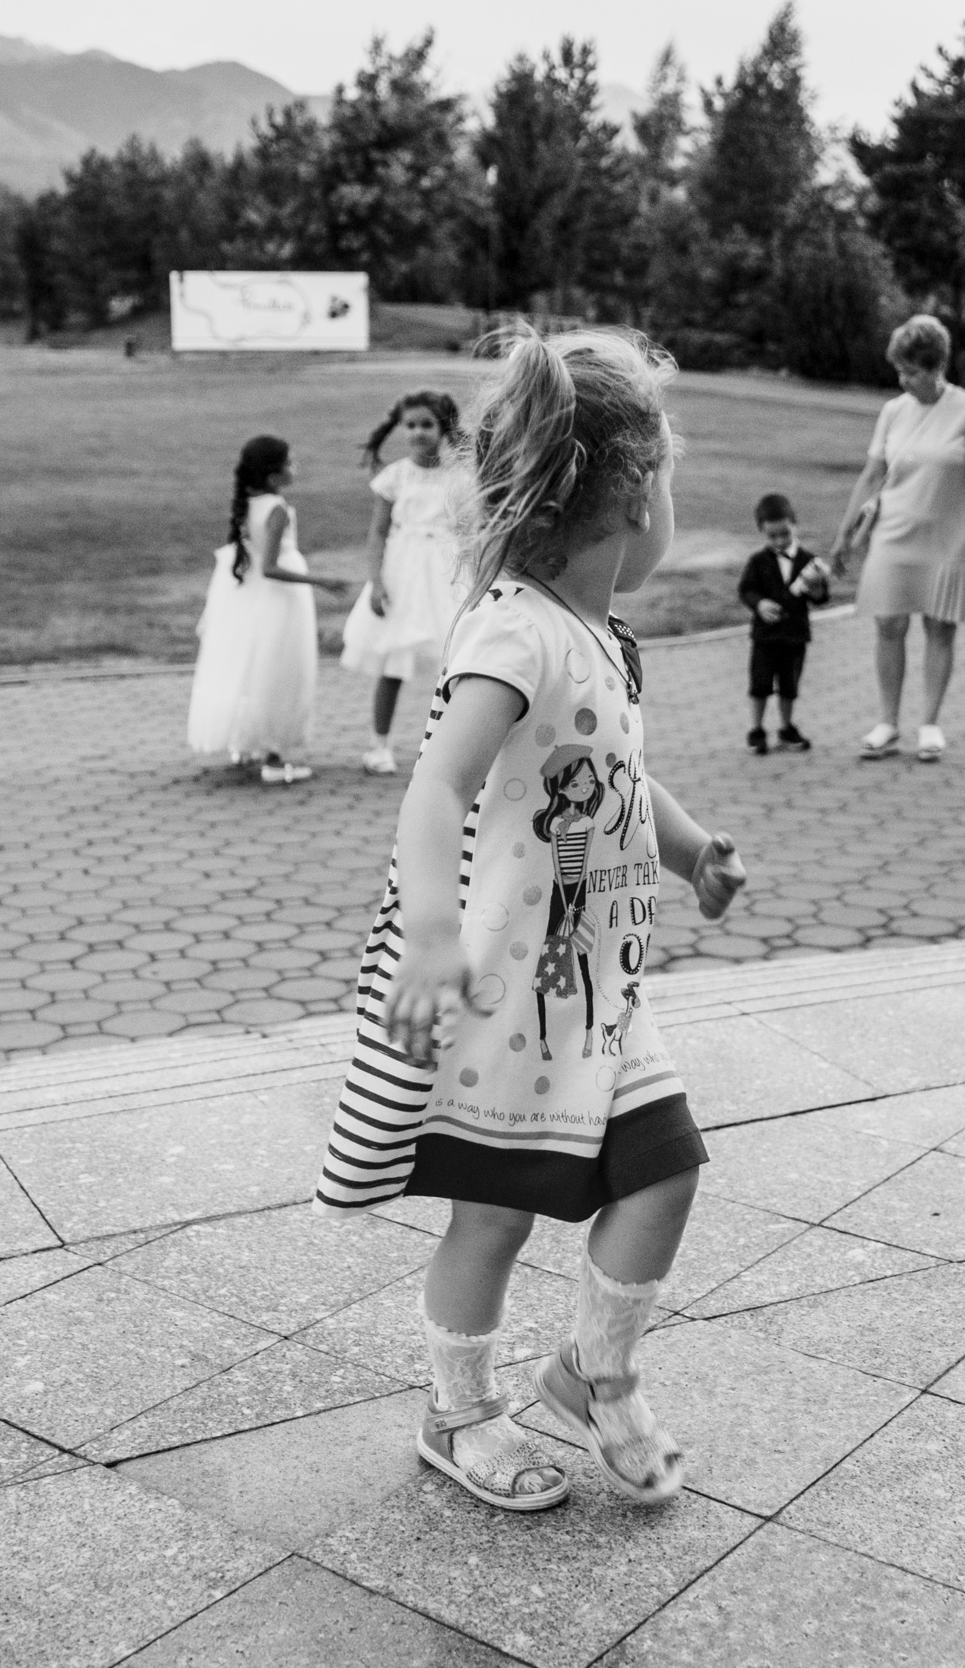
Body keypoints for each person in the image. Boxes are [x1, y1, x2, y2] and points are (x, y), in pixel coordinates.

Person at [310, 326, 748, 1513]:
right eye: (671, 485)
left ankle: (590, 1369)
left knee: (667, 1167)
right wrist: (438, 932)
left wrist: (692, 846)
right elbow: (439, 779)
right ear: (635, 496)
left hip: (599, 991)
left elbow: (611, 780)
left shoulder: (596, 635)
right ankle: (458, 1413)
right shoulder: (515, 629)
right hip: (509, 996)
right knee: (494, 1213)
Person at [832, 314, 965, 763]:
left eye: (911, 371)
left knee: (939, 627)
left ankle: (929, 723)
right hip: (892, 532)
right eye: (900, 371)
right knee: (888, 623)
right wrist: (845, 533)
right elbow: (872, 474)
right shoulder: (892, 411)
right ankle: (887, 722)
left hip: (949, 536)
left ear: (935, 367)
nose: (903, 380)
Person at [186, 435, 351, 783]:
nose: (296, 467)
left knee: (253, 667)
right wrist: (322, 581)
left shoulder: (247, 503)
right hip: (279, 600)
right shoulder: (275, 509)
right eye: (290, 463)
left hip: (252, 599)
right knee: (282, 672)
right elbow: (270, 567)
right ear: (275, 476)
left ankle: (246, 744)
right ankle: (275, 757)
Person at [343, 391, 468, 774]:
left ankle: (454, 749)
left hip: (446, 572)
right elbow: (378, 533)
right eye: (410, 425)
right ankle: (379, 745)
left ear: (443, 427)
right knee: (393, 662)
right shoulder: (394, 477)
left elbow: (469, 528)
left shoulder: (460, 476)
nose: (417, 433)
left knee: (456, 663)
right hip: (404, 571)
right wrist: (376, 582)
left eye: (426, 425)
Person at [735, 492, 831, 754]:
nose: (779, 541)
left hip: (795, 636)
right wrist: (760, 604)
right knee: (760, 683)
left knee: (789, 685)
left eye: (784, 534)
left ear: (794, 525)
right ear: (762, 533)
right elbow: (746, 589)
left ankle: (787, 727)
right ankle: (757, 729)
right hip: (765, 636)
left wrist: (814, 588)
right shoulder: (758, 561)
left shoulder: (809, 561)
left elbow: (822, 598)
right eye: (772, 536)